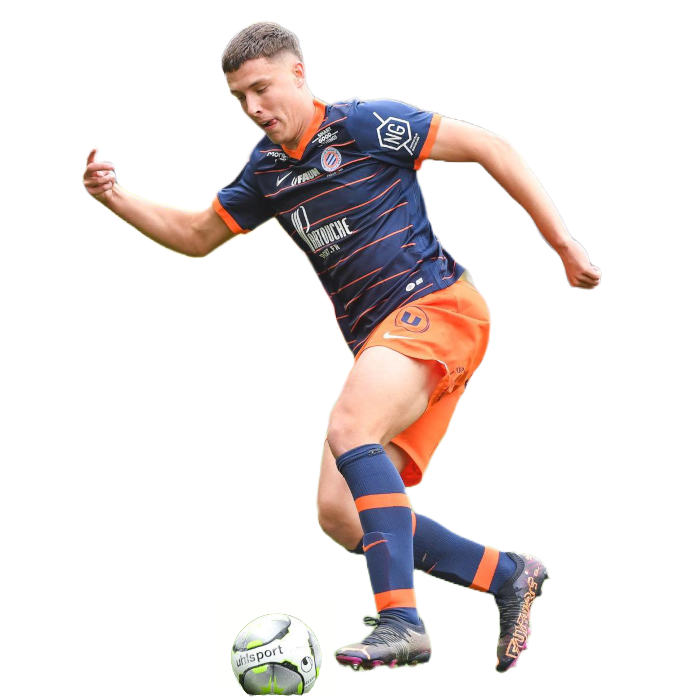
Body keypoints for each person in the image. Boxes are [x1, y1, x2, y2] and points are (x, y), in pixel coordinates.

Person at [82, 21, 601, 674]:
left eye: (263, 88)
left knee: (350, 426)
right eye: (240, 98)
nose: (254, 107)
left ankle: (402, 622)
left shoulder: (364, 124)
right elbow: (196, 236)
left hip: (438, 307)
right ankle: (507, 574)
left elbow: (489, 145)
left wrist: (563, 245)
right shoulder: (266, 170)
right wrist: (114, 197)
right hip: (386, 342)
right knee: (339, 514)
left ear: (299, 73)